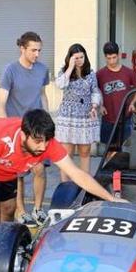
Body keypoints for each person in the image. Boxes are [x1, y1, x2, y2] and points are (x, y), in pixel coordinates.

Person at [0, 109, 123, 235]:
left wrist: (110, 198)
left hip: (9, 167)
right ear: (23, 135)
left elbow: (76, 173)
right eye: (38, 142)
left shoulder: (47, 143)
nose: (43, 147)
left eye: (46, 141)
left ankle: (5, 245)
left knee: (9, 210)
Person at [0, 31, 50, 227]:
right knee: (17, 174)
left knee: (39, 169)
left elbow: (43, 94)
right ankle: (21, 211)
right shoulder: (10, 70)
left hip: (37, 129)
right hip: (17, 130)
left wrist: (47, 120)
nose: (37, 54)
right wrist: (7, 129)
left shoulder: (43, 69)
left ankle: (38, 208)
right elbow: (0, 102)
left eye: (39, 50)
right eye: (33, 50)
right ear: (22, 48)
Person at [54, 43, 101, 181]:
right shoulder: (64, 72)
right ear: (70, 58)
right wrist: (70, 67)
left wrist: (94, 105)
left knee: (85, 151)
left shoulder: (91, 73)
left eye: (82, 57)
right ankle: (65, 184)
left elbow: (95, 91)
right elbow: (60, 85)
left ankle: (85, 184)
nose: (79, 60)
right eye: (76, 58)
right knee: (67, 153)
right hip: (68, 116)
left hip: (86, 115)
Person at [96, 42, 136, 148]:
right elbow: (94, 91)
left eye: (114, 57)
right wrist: (100, 105)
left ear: (118, 55)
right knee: (108, 149)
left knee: (126, 149)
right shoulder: (100, 74)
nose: (112, 61)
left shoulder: (128, 72)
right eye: (109, 58)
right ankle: (110, 165)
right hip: (107, 118)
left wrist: (133, 102)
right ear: (105, 57)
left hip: (126, 117)